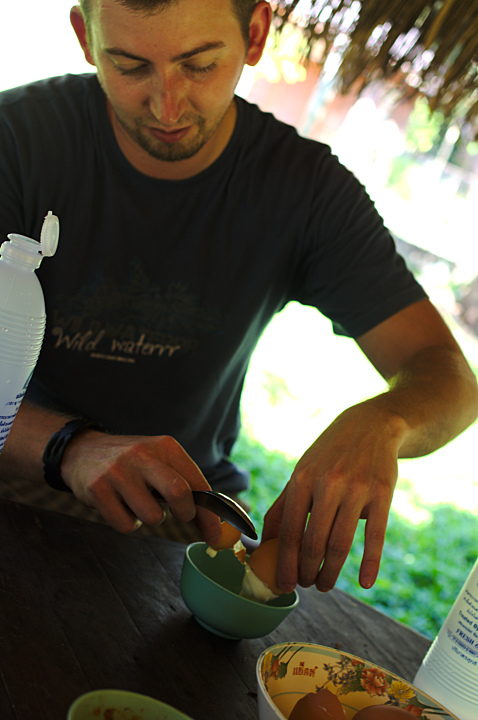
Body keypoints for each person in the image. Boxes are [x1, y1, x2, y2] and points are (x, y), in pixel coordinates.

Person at [0, 0, 476, 595]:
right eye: (130, 66)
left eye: (199, 65)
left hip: (182, 508)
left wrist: (385, 422)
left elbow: (451, 378)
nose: (167, 105)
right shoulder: (17, 140)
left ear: (255, 35)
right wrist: (68, 448)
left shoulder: (306, 191)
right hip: (18, 468)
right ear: (84, 37)